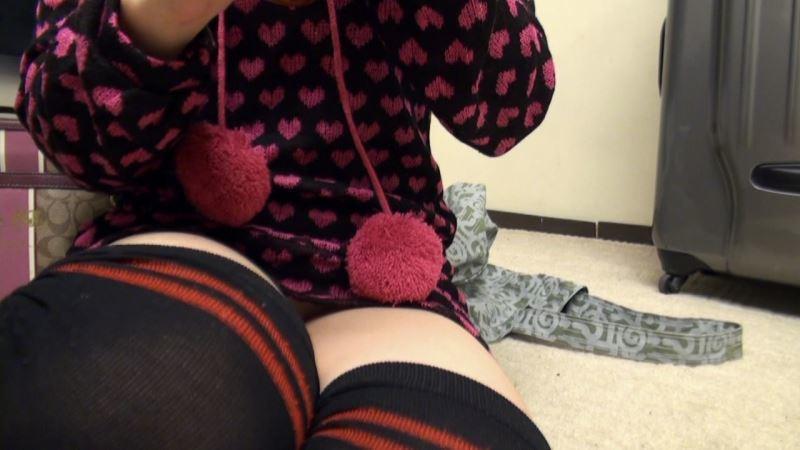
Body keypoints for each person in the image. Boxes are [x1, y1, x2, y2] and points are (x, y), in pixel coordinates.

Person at [0, 0, 555, 448]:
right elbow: (70, 141)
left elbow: (509, 112)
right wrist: (158, 18)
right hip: (183, 230)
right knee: (82, 409)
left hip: (385, 270)